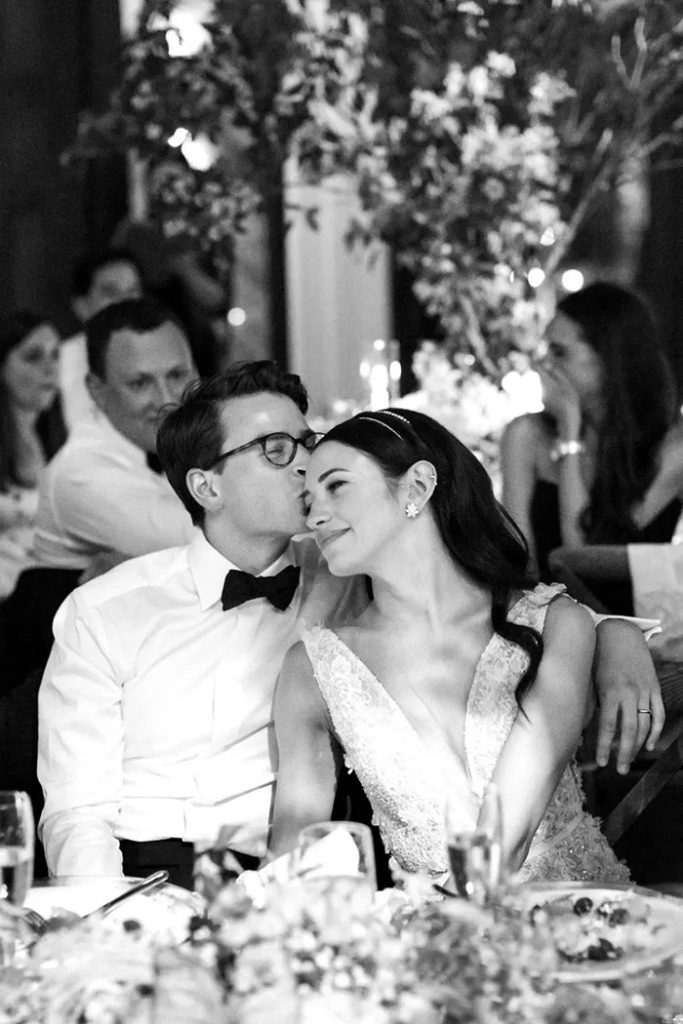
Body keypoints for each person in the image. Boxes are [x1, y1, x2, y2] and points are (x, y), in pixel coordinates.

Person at [37, 364, 663, 887]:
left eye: (309, 446)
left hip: (354, 884)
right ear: (206, 486)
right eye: (278, 450)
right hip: (149, 877)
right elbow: (77, 812)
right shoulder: (109, 611)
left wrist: (616, 631)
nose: (305, 473)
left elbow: (495, 604)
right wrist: (106, 921)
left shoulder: (340, 568)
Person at [268, 409, 632, 882]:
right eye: (308, 501)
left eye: (336, 486)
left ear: (417, 487)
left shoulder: (554, 623)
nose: (315, 516)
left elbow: (510, 833)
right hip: (428, 936)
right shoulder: (313, 669)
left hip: (578, 923)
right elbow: (294, 851)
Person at [4, 297, 197, 698]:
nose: (166, 397)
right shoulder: (81, 473)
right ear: (96, 389)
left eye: (177, 374)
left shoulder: (177, 443)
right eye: (140, 383)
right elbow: (232, 543)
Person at [501, 281, 683, 611]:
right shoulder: (526, 435)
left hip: (634, 635)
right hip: (546, 624)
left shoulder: (671, 448)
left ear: (610, 357)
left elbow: (583, 560)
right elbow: (519, 562)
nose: (544, 366)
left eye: (559, 352)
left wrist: (571, 438)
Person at [0, 312, 64, 607]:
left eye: (55, 355)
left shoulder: (58, 441)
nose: (50, 368)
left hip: (41, 602)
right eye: (33, 357)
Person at [59, 248, 143, 429]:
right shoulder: (59, 362)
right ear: (81, 306)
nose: (124, 302)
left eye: (132, 291)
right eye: (111, 293)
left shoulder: (166, 354)